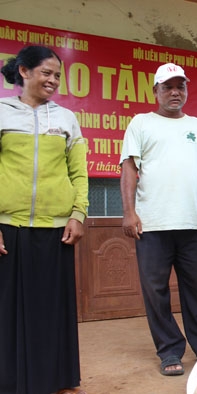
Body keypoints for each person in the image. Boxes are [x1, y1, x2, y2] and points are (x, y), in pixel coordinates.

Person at [120, 63, 197, 376]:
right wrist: (129, 211)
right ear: (156, 91)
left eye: (181, 86)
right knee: (156, 290)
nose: (175, 92)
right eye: (168, 87)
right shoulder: (141, 123)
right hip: (152, 224)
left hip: (190, 224)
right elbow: (129, 169)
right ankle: (169, 349)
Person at [0, 46, 89, 394]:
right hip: (9, 227)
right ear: (24, 71)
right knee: (7, 310)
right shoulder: (2, 113)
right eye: (46, 73)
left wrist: (78, 214)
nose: (52, 80)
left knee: (50, 311)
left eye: (56, 75)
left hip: (55, 230)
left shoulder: (66, 119)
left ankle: (55, 378)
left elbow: (79, 174)